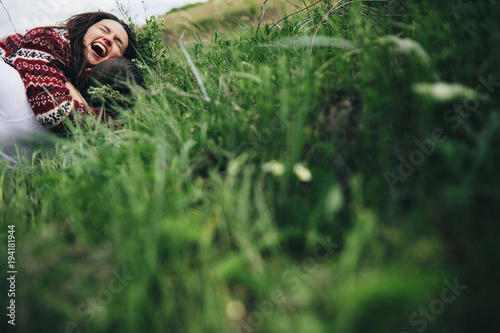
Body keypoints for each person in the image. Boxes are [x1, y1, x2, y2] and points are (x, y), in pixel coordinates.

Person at [0, 11, 138, 166]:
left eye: (118, 43)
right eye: (104, 30)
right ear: (86, 29)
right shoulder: (50, 40)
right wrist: (117, 123)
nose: (108, 39)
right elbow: (54, 111)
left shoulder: (85, 78)